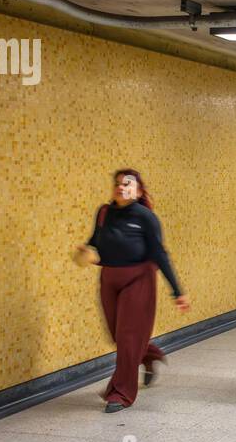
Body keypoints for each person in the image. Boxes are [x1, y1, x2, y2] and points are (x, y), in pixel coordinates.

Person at [75, 169, 190, 414]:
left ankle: (120, 393)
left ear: (138, 191)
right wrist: (85, 250)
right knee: (118, 335)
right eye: (117, 184)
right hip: (109, 278)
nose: (121, 187)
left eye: (127, 184)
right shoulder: (104, 212)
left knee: (128, 338)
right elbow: (96, 240)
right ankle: (149, 354)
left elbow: (159, 254)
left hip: (139, 278)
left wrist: (177, 291)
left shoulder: (146, 217)